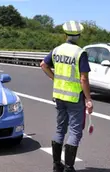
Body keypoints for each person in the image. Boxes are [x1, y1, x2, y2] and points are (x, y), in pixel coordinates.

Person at [40, 20, 93, 172]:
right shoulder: (80, 53)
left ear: (65, 34)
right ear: (79, 35)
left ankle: (57, 165)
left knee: (60, 129)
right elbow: (83, 79)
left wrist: (54, 77)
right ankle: (69, 167)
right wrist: (89, 99)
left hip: (59, 95)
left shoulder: (57, 50)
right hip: (74, 97)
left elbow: (43, 65)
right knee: (75, 132)